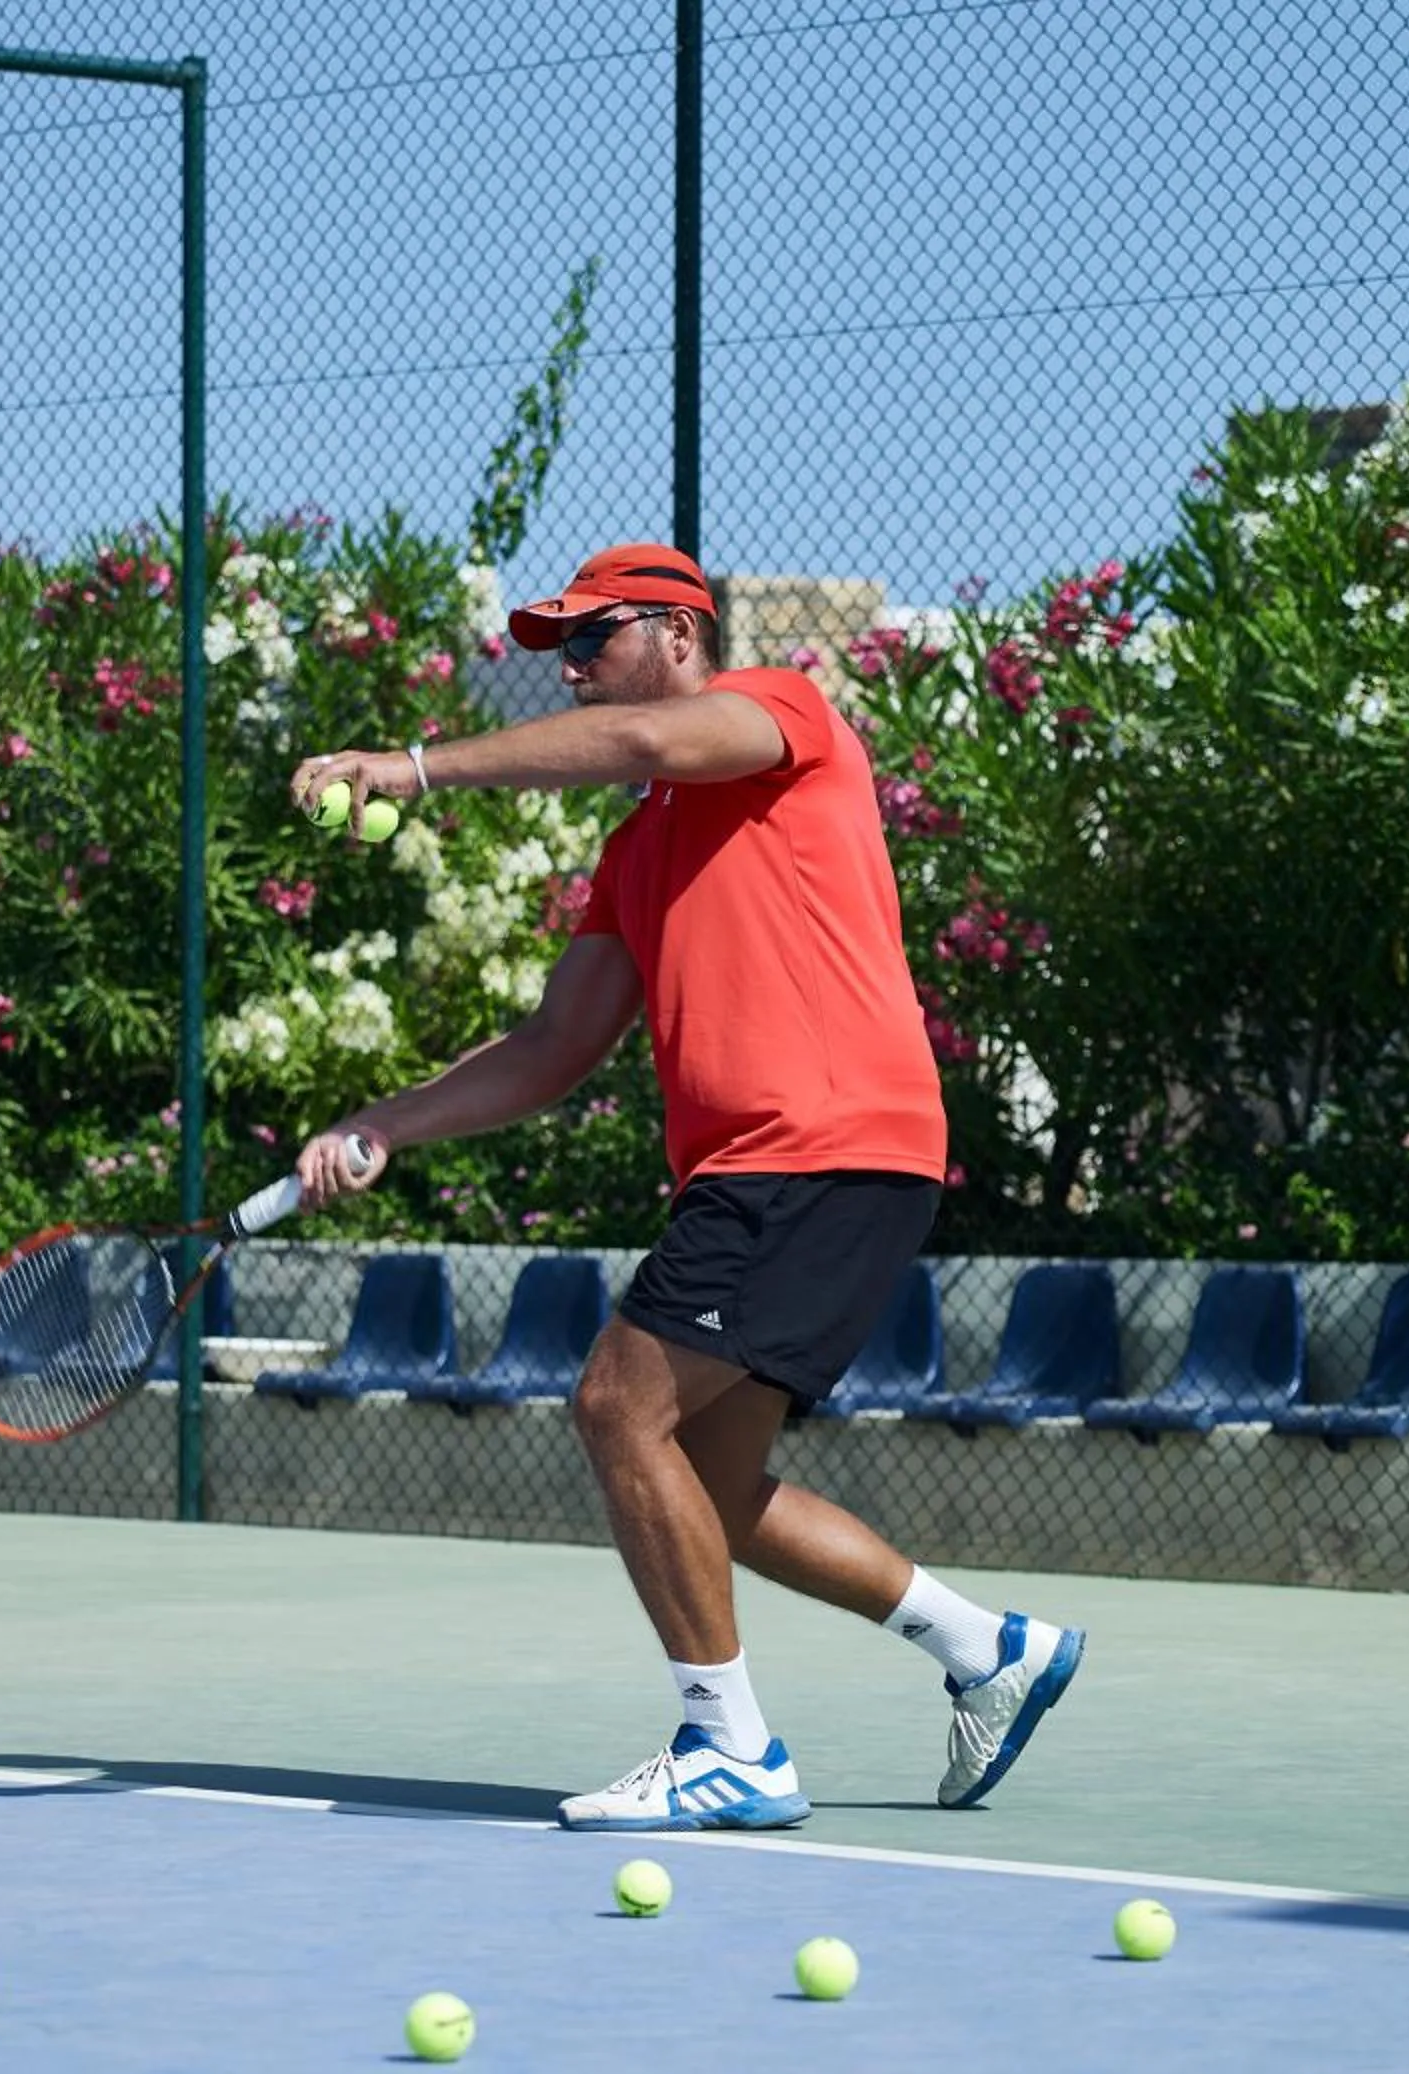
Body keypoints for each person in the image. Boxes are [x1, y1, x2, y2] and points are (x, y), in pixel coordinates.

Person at [284, 541, 1084, 1833]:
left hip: (813, 1145)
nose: (571, 670)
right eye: (555, 650)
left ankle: (733, 1748)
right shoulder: (638, 852)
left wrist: (417, 765)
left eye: (590, 641)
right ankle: (987, 1646)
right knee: (706, 1483)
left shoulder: (785, 712)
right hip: (801, 1165)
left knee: (615, 1403)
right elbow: (556, 1046)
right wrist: (389, 1122)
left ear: (674, 631)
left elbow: (656, 742)